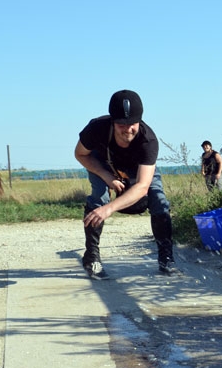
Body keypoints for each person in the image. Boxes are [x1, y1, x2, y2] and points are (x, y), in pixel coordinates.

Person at [74, 89, 177, 279]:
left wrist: (109, 209)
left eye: (132, 124)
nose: (128, 129)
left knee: (158, 199)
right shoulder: (96, 129)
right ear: (113, 121)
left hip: (137, 167)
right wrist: (105, 175)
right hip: (103, 162)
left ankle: (166, 256)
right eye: (121, 124)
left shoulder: (148, 140)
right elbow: (80, 154)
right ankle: (92, 256)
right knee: (99, 197)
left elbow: (143, 186)